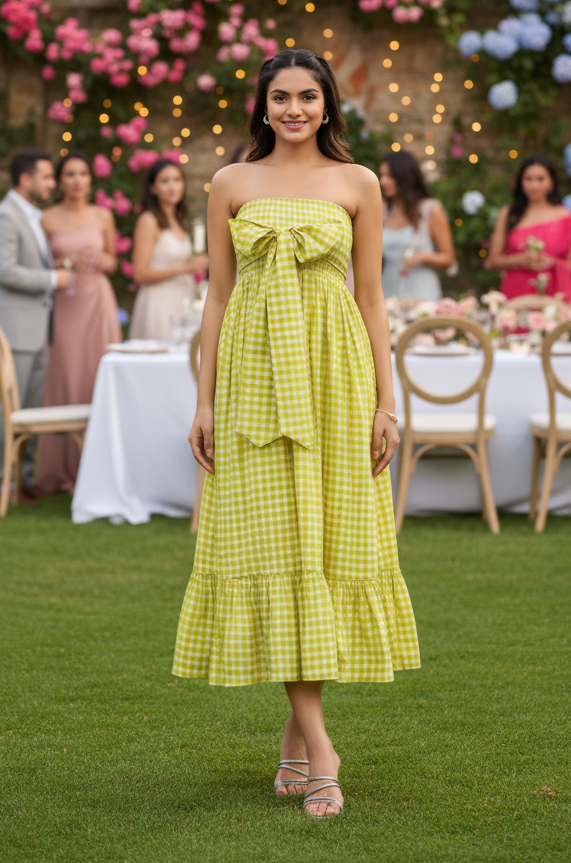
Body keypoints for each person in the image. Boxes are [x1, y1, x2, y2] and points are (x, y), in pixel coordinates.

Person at [172, 49, 420, 819]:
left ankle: (295, 743)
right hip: (252, 381)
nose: (293, 110)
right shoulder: (228, 184)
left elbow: (373, 299)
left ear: (326, 105)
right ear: (261, 105)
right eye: (280, 97)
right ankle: (322, 750)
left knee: (326, 543)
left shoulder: (357, 183)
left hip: (335, 379)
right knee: (274, 543)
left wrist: (386, 400)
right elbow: (217, 297)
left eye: (307, 97)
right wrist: (203, 399)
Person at [36, 151, 121, 495]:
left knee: (96, 375)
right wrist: (63, 262)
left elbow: (115, 262)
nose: (76, 180)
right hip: (65, 305)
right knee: (66, 376)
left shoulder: (102, 215)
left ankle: (97, 468)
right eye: (70, 174)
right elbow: (39, 267)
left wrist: (104, 259)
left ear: (90, 179)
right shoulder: (45, 219)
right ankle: (59, 471)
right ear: (60, 180)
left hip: (97, 301)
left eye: (83, 174)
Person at [0, 150, 74, 499]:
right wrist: (52, 279)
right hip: (16, 329)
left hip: (38, 328)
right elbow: (5, 270)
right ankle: (8, 482)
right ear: (26, 179)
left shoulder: (32, 216)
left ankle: (23, 480)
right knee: (8, 414)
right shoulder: (7, 215)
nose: (52, 183)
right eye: (46, 177)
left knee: (27, 409)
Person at [129, 159, 209, 341]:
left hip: (181, 299)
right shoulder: (148, 221)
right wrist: (184, 268)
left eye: (177, 180)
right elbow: (139, 274)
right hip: (158, 302)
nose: (172, 186)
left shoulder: (180, 221)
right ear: (153, 187)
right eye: (165, 181)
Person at [487, 155, 571, 301]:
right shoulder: (509, 214)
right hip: (516, 293)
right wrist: (519, 260)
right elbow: (494, 260)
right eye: (529, 179)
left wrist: (552, 262)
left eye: (540, 179)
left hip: (554, 295)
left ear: (551, 182)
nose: (534, 185)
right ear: (521, 182)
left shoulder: (563, 215)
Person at [379, 151, 455, 300]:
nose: (383, 182)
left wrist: (422, 257)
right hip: (388, 288)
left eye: (389, 176)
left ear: (404, 177)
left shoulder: (430, 210)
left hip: (422, 291)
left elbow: (448, 258)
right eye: (382, 175)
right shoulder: (383, 210)